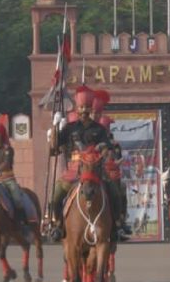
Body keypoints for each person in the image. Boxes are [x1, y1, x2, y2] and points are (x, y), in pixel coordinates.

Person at [48, 85, 124, 241]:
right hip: (73, 171)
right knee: (55, 197)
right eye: (81, 107)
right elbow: (54, 147)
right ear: (77, 108)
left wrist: (101, 151)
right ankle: (57, 225)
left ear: (90, 108)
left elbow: (107, 148)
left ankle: (116, 225)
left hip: (95, 169)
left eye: (87, 107)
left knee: (115, 193)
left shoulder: (99, 129)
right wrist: (55, 127)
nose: (84, 110)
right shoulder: (69, 128)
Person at [92, 88, 132, 239]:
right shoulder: (90, 134)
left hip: (109, 173)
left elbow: (116, 159)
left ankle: (119, 222)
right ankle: (56, 222)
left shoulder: (114, 144)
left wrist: (119, 160)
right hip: (91, 170)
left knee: (118, 190)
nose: (107, 129)